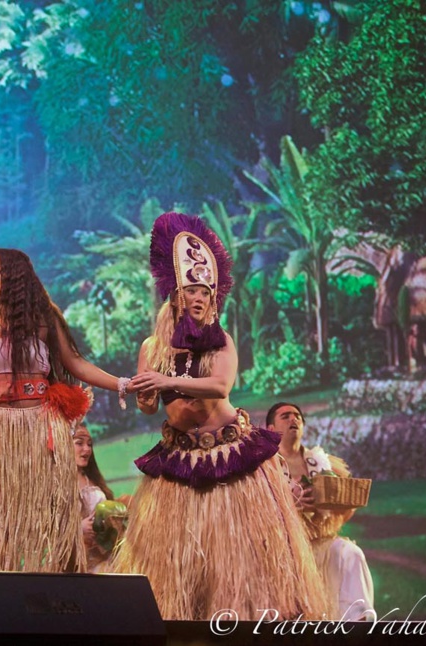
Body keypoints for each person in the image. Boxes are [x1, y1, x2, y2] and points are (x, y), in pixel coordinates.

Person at [115, 212, 330, 620]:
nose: (199, 298)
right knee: (179, 563)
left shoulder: (221, 342)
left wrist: (162, 381)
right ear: (175, 296)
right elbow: (150, 404)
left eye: (206, 293)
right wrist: (146, 394)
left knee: (243, 564)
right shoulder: (152, 347)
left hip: (231, 456)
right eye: (191, 290)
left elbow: (219, 388)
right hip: (180, 456)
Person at [0, 248, 130, 572]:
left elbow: (76, 363)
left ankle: (61, 588)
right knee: (3, 520)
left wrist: (120, 384)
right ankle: (6, 585)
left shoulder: (45, 317)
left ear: (15, 276)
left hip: (40, 426)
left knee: (51, 518)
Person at [269, 402, 375, 620]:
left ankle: (358, 623)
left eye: (297, 416)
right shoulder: (264, 467)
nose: (294, 419)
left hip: (320, 541)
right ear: (271, 428)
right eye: (285, 416)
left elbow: (346, 511)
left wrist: (332, 503)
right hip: (282, 546)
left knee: (350, 553)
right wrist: (290, 505)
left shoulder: (321, 463)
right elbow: (253, 513)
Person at [73, 422, 117, 573]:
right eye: (79, 443)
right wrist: (78, 529)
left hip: (102, 563)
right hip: (72, 566)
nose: (86, 449)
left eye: (89, 444)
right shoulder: (56, 486)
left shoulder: (94, 480)